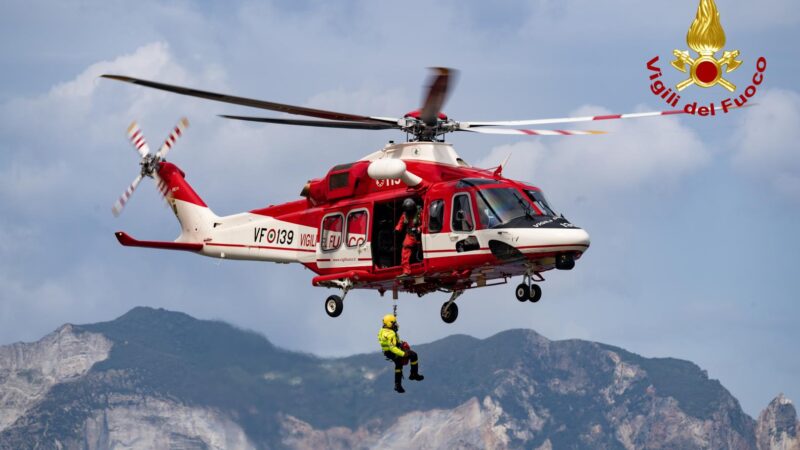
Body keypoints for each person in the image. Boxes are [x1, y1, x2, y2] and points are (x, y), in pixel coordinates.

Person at [378, 314, 423, 393]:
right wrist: (403, 353)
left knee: (398, 364)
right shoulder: (390, 334)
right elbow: (393, 347)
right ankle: (414, 374)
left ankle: (397, 385)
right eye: (393, 323)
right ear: (389, 323)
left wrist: (400, 343)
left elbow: (389, 343)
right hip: (393, 351)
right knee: (413, 355)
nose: (395, 324)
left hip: (387, 352)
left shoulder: (382, 330)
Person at [395, 198, 421, 276]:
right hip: (410, 235)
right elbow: (400, 223)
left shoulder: (420, 213)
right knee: (405, 248)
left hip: (421, 234)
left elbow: (426, 223)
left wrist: (419, 229)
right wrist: (397, 229)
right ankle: (406, 271)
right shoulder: (405, 214)